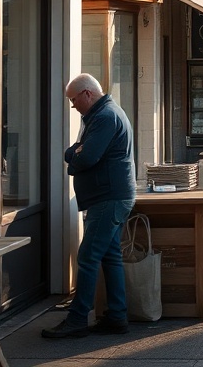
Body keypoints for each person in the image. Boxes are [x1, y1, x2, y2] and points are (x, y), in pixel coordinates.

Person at [42, 73, 136, 338]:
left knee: (88, 256)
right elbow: (74, 151)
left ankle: (77, 319)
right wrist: (76, 152)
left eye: (73, 100)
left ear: (87, 94)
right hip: (112, 196)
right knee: (109, 256)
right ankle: (117, 317)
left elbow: (85, 158)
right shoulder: (102, 114)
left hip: (108, 198)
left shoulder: (104, 117)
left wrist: (76, 156)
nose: (73, 106)